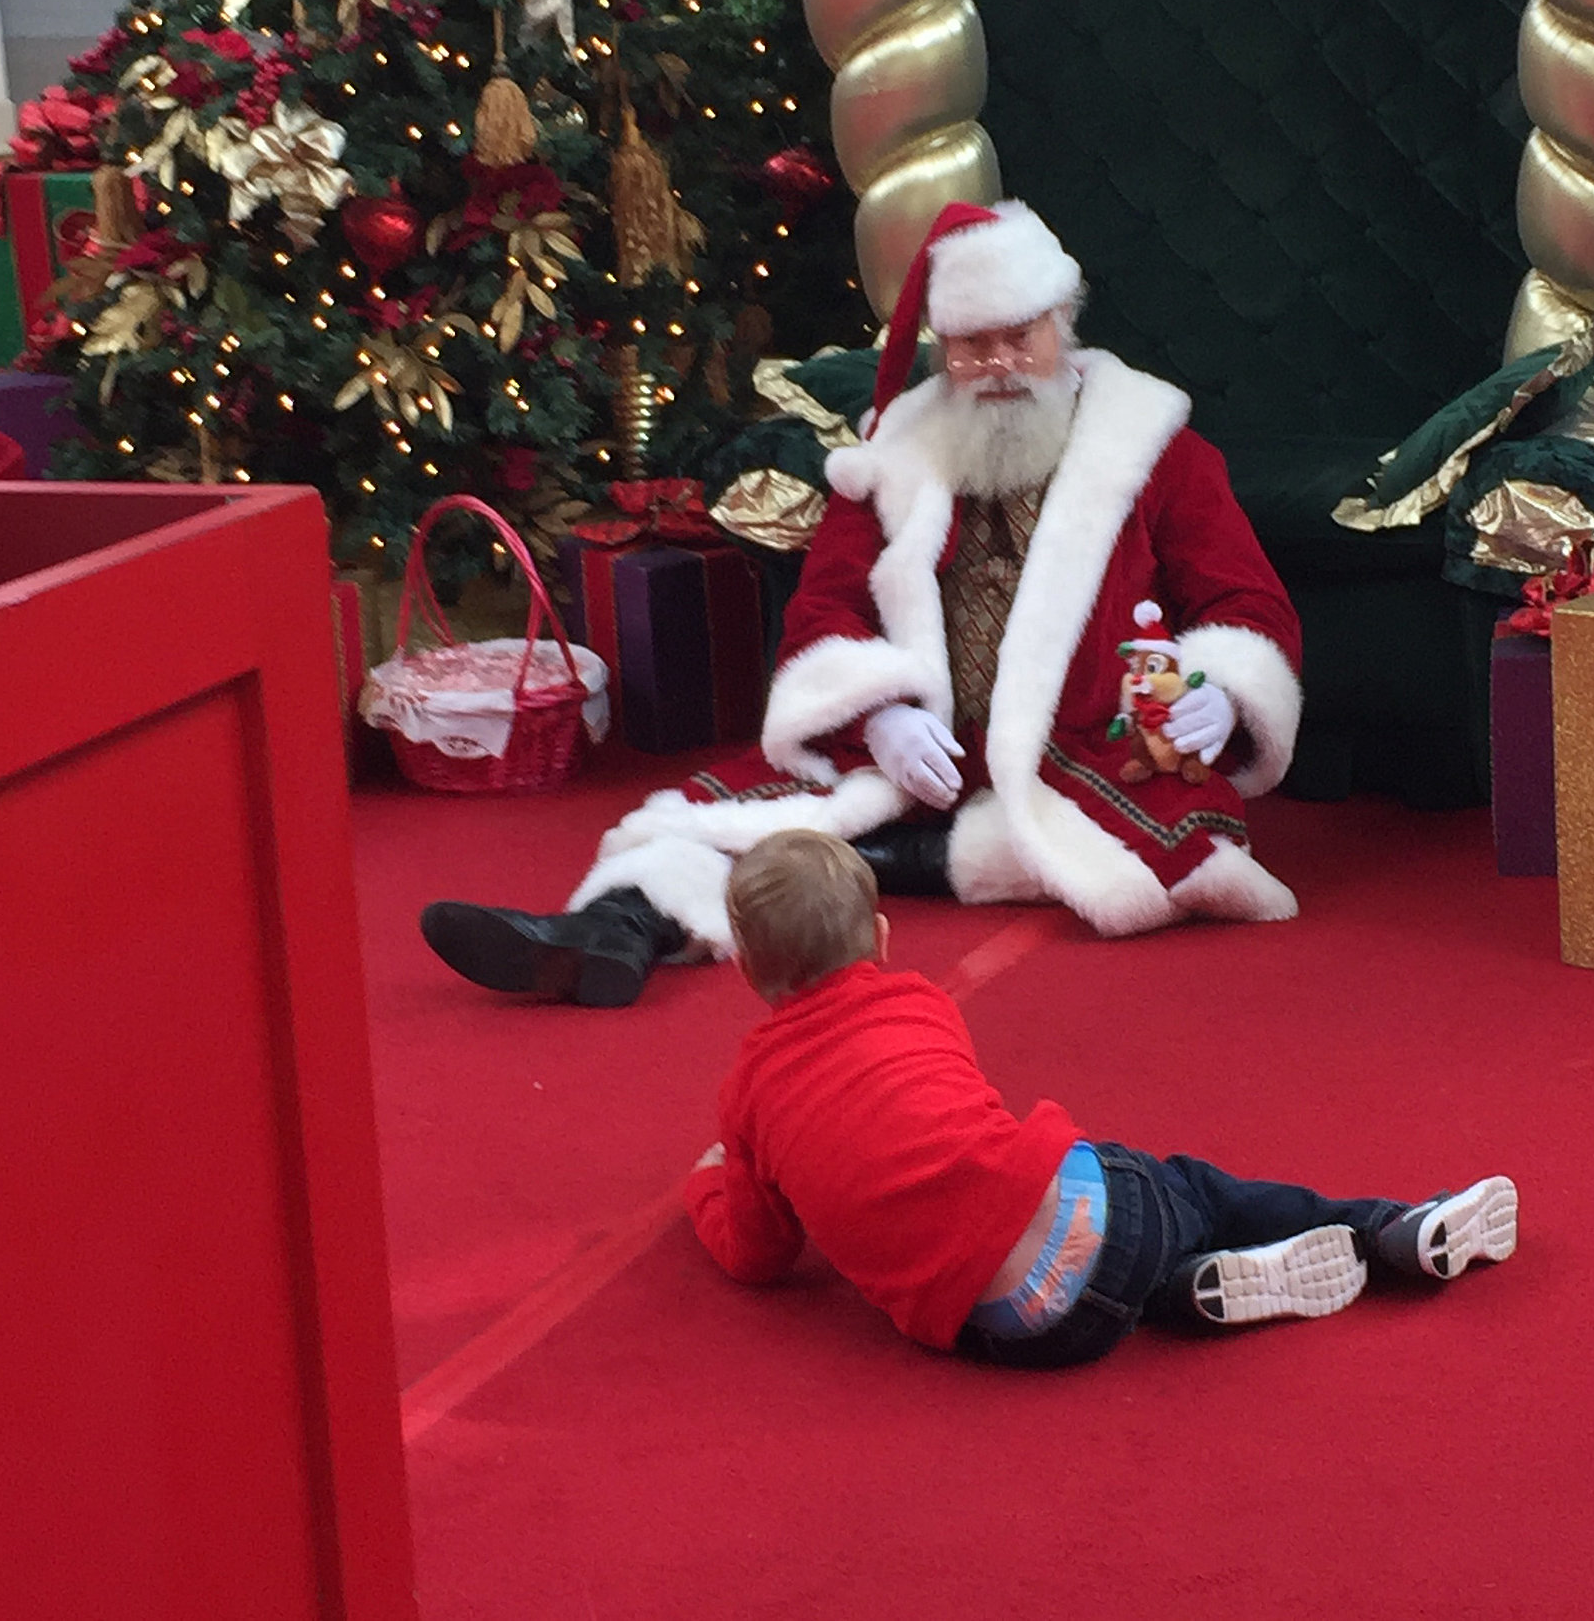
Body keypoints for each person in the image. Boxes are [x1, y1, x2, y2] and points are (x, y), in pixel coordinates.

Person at [423, 198, 1307, 1008]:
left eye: (1018, 338)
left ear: (1060, 328)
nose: (996, 365)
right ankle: (610, 929)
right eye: (970, 345)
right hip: (915, 758)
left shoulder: (1156, 448)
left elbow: (1245, 601)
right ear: (943, 349)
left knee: (1169, 843)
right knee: (707, 811)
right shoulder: (898, 450)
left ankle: (861, 865)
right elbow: (824, 608)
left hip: (1081, 753)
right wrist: (879, 711)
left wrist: (1220, 691)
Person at [686, 831, 1518, 1367]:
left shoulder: (748, 1093)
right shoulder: (919, 1001)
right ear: (882, 938)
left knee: (1104, 1283)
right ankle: (1385, 1223)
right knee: (1191, 1188)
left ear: (746, 971)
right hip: (1097, 1217)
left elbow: (760, 1257)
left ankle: (1191, 1291)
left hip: (1021, 1331)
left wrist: (708, 1188)